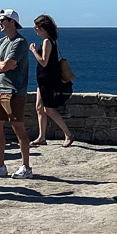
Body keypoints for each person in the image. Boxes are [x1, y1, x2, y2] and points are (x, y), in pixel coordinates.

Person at [0, 9, 34, 180]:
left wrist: (2, 65)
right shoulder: (1, 42)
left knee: (18, 127)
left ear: (12, 22)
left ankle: (26, 167)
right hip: (1, 90)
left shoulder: (20, 42)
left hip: (14, 92)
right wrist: (2, 65)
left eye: (2, 20)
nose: (0, 23)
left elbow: (6, 65)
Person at [29, 14, 73, 146]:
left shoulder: (47, 42)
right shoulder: (48, 41)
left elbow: (44, 62)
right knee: (39, 108)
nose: (35, 29)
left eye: (36, 27)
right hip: (42, 80)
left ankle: (68, 134)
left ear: (42, 28)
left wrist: (33, 51)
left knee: (49, 109)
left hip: (48, 80)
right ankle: (41, 137)